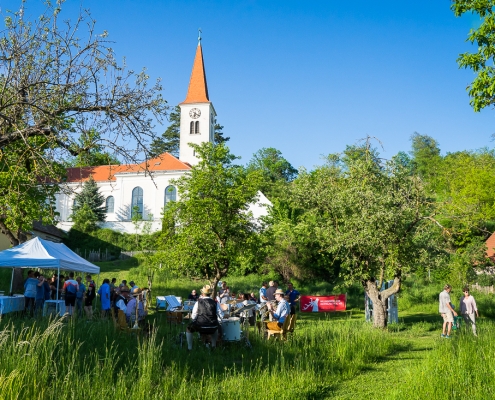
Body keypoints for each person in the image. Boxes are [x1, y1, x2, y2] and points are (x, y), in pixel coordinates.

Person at [186, 285, 224, 351]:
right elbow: (221, 315)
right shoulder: (215, 303)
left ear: (202, 293)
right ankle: (213, 346)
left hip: (200, 325)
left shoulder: (198, 302)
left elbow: (193, 316)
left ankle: (190, 348)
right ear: (210, 294)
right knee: (216, 328)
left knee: (188, 329)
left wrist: (195, 321)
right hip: (213, 325)